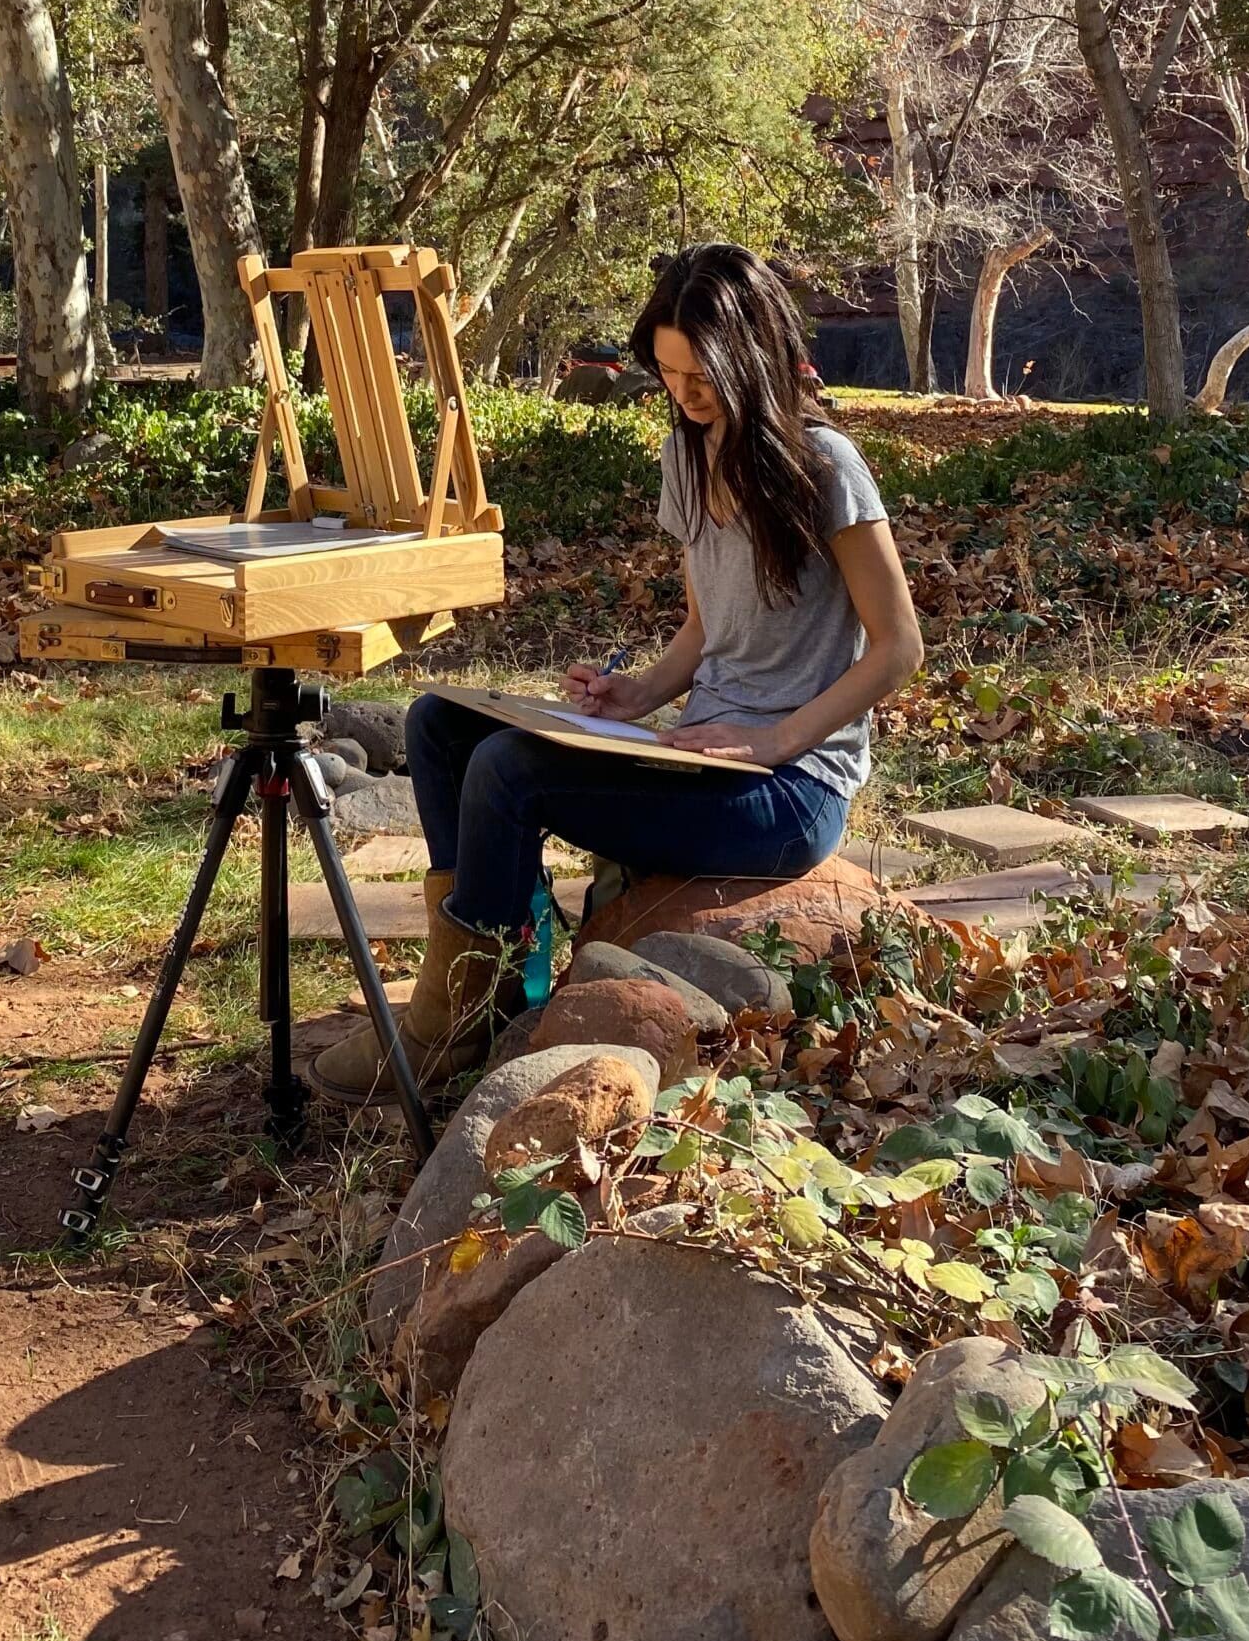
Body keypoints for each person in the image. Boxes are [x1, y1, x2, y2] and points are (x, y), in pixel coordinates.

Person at [308, 242, 922, 1105]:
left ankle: (455, 1020)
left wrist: (775, 740)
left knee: (511, 774)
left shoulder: (828, 467)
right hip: (700, 754)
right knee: (438, 725)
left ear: (751, 357)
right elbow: (707, 627)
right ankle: (487, 991)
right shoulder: (688, 452)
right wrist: (636, 694)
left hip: (790, 790)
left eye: (701, 376)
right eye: (668, 374)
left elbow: (899, 646)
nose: (684, 393)